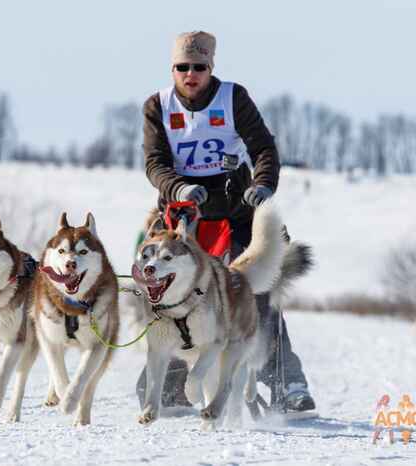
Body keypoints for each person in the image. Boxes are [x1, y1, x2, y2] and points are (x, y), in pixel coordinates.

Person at [137, 30, 315, 412]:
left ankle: (287, 383)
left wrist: (264, 184)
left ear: (210, 67)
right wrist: (180, 189)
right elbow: (154, 163)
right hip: (184, 217)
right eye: (182, 67)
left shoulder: (232, 98)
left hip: (238, 214)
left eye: (198, 67)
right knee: (173, 296)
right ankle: (170, 383)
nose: (190, 74)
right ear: (173, 69)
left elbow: (263, 148)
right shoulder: (158, 105)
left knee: (255, 297)